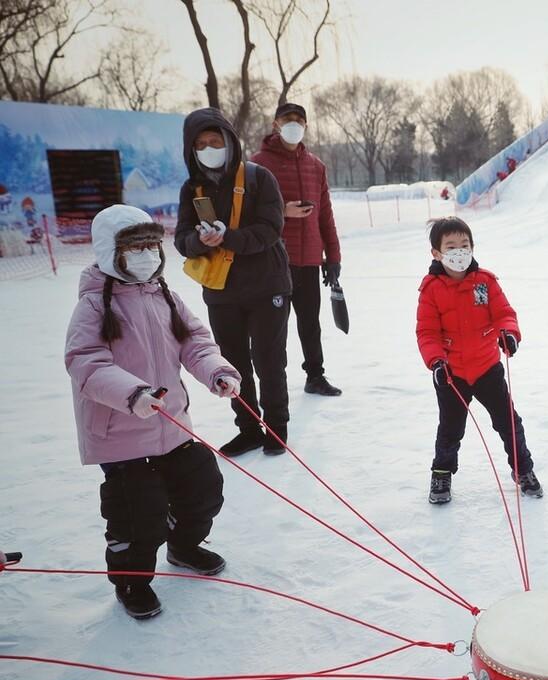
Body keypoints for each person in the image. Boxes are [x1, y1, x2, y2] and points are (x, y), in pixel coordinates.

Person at [65, 205, 240, 620]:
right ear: (110, 252)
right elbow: (85, 362)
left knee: (203, 486)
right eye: (134, 247)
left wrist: (216, 371)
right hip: (121, 436)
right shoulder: (94, 305)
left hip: (172, 426)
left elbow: (194, 341)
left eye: (150, 244)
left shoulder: (165, 294)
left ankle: (183, 546)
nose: (145, 254)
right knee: (138, 515)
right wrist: (133, 393)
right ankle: (132, 581)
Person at [175, 107, 292, 457]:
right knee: (233, 364)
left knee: (269, 359)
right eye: (200, 144)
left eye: (215, 141)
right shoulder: (192, 188)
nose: (209, 148)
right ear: (190, 150)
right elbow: (181, 238)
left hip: (267, 285)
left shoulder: (258, 178)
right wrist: (199, 241)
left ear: (228, 141)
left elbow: (271, 230)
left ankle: (276, 427)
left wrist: (229, 237)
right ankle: (248, 428)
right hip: (221, 291)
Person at [416, 217, 542, 504]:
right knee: (450, 428)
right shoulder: (431, 290)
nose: (459, 251)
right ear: (436, 253)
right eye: (451, 246)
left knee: (508, 422)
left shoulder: (484, 281)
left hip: (487, 368)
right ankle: (441, 473)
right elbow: (427, 332)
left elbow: (503, 314)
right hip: (452, 374)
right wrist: (436, 361)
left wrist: (509, 334)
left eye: (464, 245)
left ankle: (524, 469)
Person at [251, 102, 344, 398]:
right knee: (272, 328)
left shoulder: (315, 165)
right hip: (273, 260)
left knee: (310, 322)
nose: (294, 124)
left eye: (299, 120)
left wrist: (333, 257)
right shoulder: (257, 163)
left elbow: (325, 215)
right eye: (287, 119)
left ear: (306, 126)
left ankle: (315, 376)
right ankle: (272, 383)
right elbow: (247, 211)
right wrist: (283, 211)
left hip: (309, 259)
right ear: (275, 124)